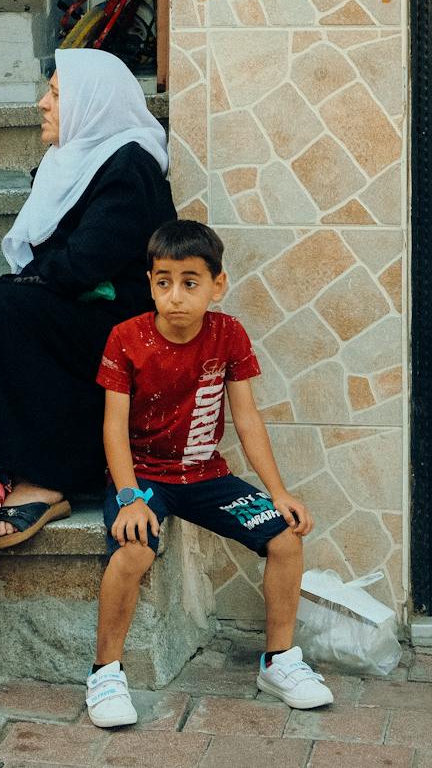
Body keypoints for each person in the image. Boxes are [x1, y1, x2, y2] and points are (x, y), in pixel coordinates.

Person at [88, 219, 333, 729]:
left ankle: (278, 661)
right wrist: (130, 495)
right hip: (145, 479)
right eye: (163, 281)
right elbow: (113, 428)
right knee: (134, 550)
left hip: (205, 476)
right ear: (150, 282)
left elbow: (246, 418)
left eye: (190, 282)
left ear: (217, 285)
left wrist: (278, 492)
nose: (175, 295)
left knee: (286, 538)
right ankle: (106, 672)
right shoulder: (126, 338)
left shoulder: (228, 334)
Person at [0, 48, 176, 547]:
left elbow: (87, 260)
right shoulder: (75, 158)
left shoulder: (129, 164)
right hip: (82, 306)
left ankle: (48, 477)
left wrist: (26, 283)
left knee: (1, 308)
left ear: (92, 103)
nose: (42, 103)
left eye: (57, 94)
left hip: (121, 322)